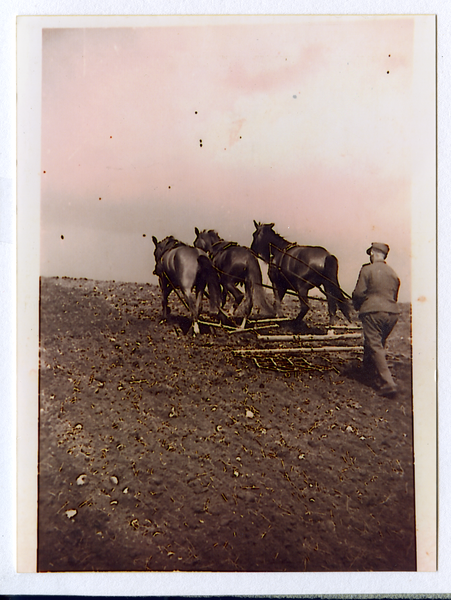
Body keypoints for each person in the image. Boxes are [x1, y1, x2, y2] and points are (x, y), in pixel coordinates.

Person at [352, 242, 400, 396]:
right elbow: (394, 296)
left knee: (374, 345)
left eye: (371, 253)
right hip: (392, 313)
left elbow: (359, 293)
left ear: (373, 253)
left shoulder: (367, 270)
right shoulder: (393, 273)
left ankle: (388, 383)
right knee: (378, 344)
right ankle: (370, 374)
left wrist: (358, 304)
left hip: (373, 312)